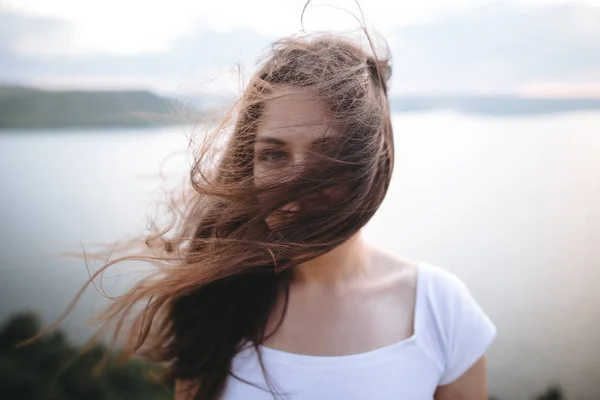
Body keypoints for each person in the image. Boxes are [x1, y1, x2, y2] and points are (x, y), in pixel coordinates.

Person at [41, 30, 497, 400]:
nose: (296, 183)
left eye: (329, 156)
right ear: (248, 163)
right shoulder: (213, 299)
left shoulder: (440, 310)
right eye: (274, 155)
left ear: (372, 162)